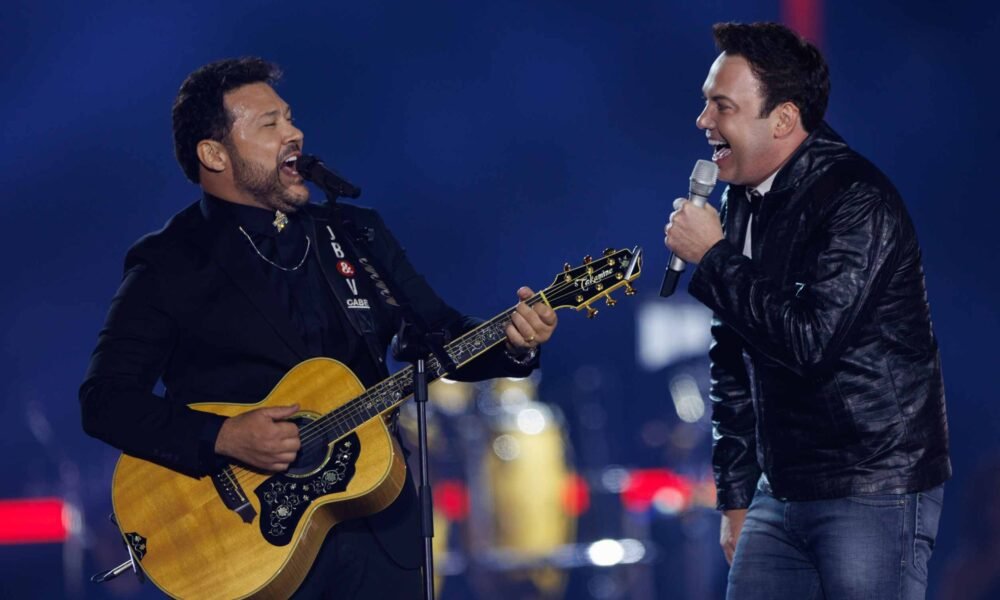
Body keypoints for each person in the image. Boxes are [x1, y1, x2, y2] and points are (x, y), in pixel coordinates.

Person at [79, 57, 557, 599]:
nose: (295, 133)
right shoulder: (169, 262)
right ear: (214, 154)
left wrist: (515, 343)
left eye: (290, 118)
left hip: (381, 527)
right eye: (270, 124)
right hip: (251, 549)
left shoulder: (356, 235)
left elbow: (438, 336)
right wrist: (224, 436)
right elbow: (105, 401)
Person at [663, 22, 950, 599]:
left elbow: (810, 342)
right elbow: (732, 355)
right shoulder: (740, 199)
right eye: (706, 103)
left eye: (722, 106)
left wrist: (714, 258)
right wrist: (735, 494)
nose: (703, 121)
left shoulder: (856, 199)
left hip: (870, 482)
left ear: (784, 119)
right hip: (780, 487)